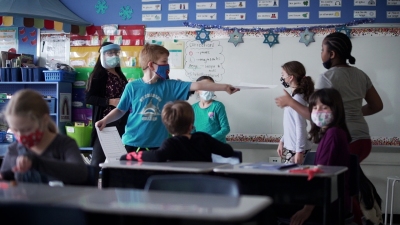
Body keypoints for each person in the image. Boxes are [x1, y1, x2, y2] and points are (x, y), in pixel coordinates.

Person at [96, 43, 240, 153]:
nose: (167, 65)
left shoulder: (171, 86)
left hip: (160, 146)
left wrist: (225, 87)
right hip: (133, 143)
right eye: (164, 62)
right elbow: (121, 110)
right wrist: (105, 120)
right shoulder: (132, 87)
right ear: (151, 65)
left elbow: (198, 85)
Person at [275, 32, 383, 163]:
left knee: (333, 180)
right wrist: (352, 112)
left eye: (322, 50)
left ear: (332, 54)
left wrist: (290, 102)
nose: (321, 54)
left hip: (342, 139)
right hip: (363, 140)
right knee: (349, 177)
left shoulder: (327, 77)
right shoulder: (361, 74)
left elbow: (314, 116)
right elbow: (377, 105)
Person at [279, 88, 351, 225]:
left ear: (336, 110)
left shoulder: (333, 134)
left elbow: (322, 176)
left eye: (324, 107)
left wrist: (306, 210)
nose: (318, 112)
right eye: (315, 107)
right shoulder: (330, 134)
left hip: (329, 203)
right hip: (326, 198)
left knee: (271, 205)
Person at [0, 89, 87, 184]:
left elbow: (80, 174)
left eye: (27, 129)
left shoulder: (64, 145)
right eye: (15, 130)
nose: (21, 136)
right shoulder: (14, 149)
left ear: (45, 120)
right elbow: (5, 178)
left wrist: (37, 162)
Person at [120, 101, 234, 162]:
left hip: (179, 188)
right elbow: (228, 151)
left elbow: (156, 156)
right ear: (191, 126)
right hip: (205, 187)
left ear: (167, 127)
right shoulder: (203, 138)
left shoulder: (170, 144)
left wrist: (127, 156)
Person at [85, 42, 129, 166]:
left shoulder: (120, 75)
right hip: (105, 122)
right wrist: (110, 101)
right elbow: (89, 98)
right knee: (98, 159)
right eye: (110, 53)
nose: (114, 55)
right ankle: (91, 184)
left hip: (121, 122)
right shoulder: (99, 75)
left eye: (115, 53)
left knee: (117, 159)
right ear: (102, 55)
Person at [191, 76, 237, 163]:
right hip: (201, 148)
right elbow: (192, 129)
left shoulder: (218, 106)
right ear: (197, 90)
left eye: (210, 86)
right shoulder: (193, 108)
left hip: (218, 147)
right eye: (204, 86)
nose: (207, 89)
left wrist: (209, 140)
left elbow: (225, 128)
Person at [276, 61, 314, 164]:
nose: (282, 77)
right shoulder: (293, 97)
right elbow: (290, 124)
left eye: (283, 75)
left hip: (296, 149)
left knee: (291, 179)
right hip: (293, 147)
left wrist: (299, 151)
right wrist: (282, 141)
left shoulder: (297, 99)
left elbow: (300, 126)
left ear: (291, 77)